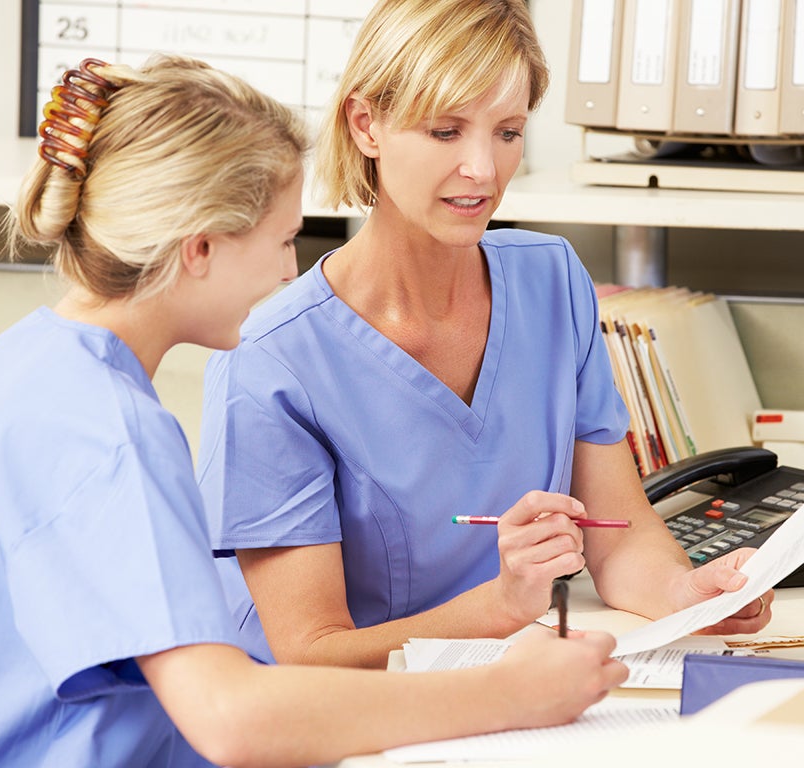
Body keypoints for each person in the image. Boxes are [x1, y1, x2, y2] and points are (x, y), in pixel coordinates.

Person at [0, 55, 628, 768]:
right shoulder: (113, 433)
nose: (288, 271)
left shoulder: (17, 363)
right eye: (282, 241)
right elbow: (231, 719)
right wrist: (508, 695)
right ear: (201, 247)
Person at [198, 0, 774, 672]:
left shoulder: (551, 281)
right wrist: (502, 606)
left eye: (507, 132)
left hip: (494, 679)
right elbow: (311, 654)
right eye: (446, 132)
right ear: (367, 124)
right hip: (341, 719)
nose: (483, 169)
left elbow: (618, 538)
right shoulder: (272, 359)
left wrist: (688, 593)